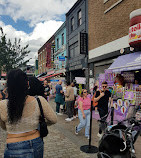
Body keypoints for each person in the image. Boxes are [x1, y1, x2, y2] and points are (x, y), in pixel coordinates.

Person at [0, 69, 57, 158]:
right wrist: (39, 123)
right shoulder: (39, 100)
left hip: (12, 144)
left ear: (8, 86)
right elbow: (53, 119)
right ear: (27, 84)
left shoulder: (2, 105)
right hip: (35, 142)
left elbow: (3, 126)